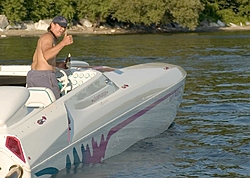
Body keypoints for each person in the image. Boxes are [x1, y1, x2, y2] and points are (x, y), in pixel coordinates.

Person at [26, 15, 73, 99]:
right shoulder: (48, 37)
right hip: (44, 77)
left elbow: (39, 59)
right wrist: (63, 43)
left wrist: (58, 65)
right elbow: (46, 56)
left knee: (36, 104)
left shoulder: (45, 37)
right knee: (54, 105)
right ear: (52, 25)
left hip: (33, 75)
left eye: (64, 27)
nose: (62, 29)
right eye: (60, 26)